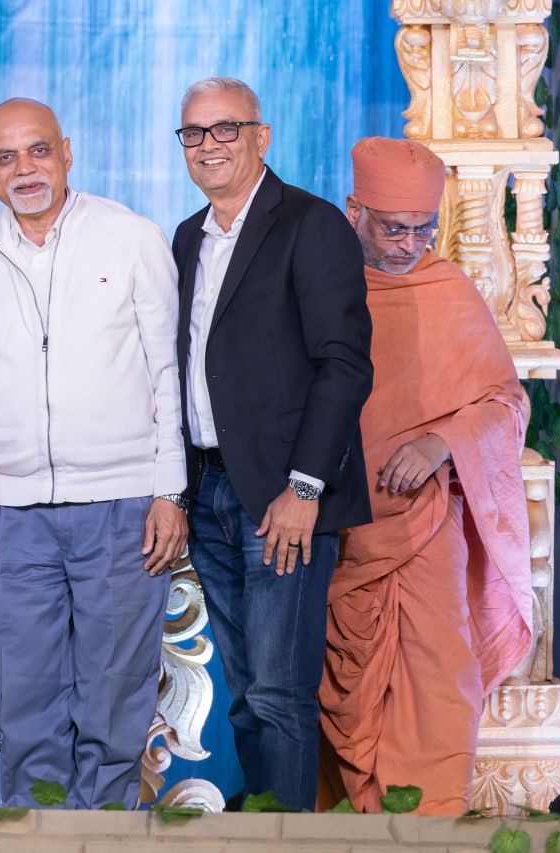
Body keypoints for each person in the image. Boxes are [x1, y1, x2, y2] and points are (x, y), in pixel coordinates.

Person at [0, 98, 186, 809]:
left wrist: (169, 490)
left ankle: (102, 837)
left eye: (39, 150)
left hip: (121, 504)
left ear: (67, 152)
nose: (25, 169)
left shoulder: (130, 237)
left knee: (112, 696)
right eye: (7, 157)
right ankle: (33, 835)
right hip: (12, 513)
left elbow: (166, 371)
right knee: (25, 698)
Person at [171, 77, 374, 811]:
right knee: (245, 693)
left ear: (261, 137)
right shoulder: (188, 236)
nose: (209, 145)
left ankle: (288, 841)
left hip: (282, 496)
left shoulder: (310, 224)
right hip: (208, 489)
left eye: (226, 128)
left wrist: (306, 487)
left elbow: (344, 364)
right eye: (194, 133)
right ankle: (262, 828)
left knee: (280, 694)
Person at [317, 137, 533, 816]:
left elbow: (506, 403)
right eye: (393, 229)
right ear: (355, 211)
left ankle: (432, 831)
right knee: (336, 697)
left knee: (440, 686)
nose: (410, 245)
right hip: (336, 531)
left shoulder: (448, 289)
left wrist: (442, 441)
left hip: (425, 526)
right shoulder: (320, 285)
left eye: (423, 229)